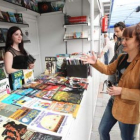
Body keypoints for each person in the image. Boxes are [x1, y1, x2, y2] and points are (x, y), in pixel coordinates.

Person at [81, 22, 140, 140]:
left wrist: (122, 91)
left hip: (129, 109)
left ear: (138, 41)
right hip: (113, 102)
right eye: (123, 39)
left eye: (127, 39)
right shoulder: (122, 57)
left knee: (127, 137)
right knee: (102, 130)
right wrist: (95, 63)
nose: (122, 42)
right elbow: (108, 69)